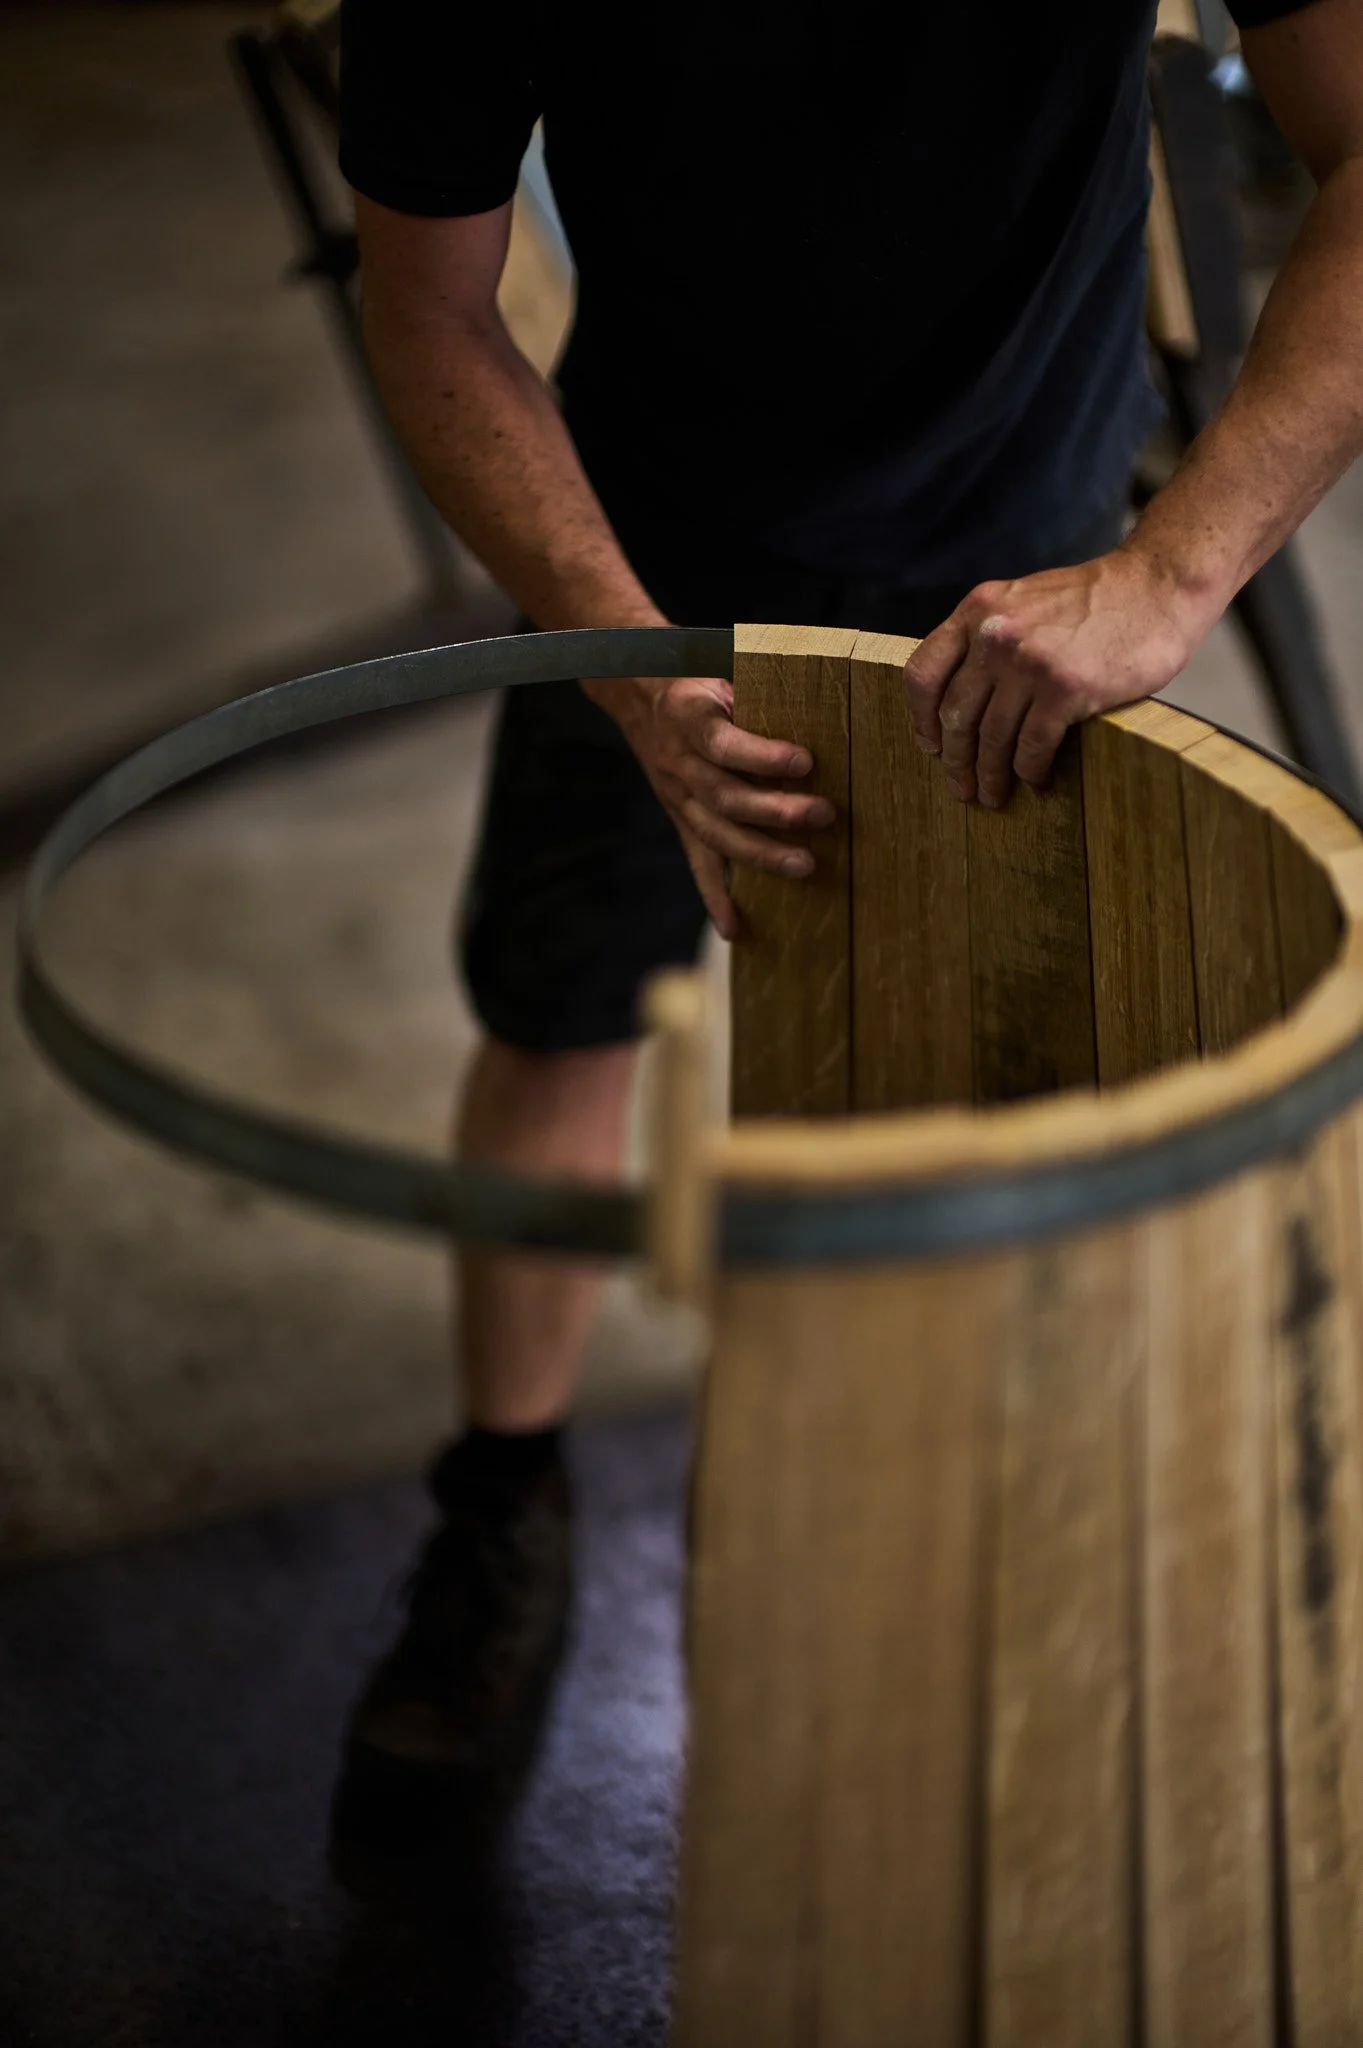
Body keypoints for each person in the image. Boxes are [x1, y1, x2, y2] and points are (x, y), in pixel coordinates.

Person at [331, 0, 1363, 1847]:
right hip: (643, 547)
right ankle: (500, 1514)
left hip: (1023, 556)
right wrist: (625, 663)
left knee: (980, 1086)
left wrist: (1166, 569)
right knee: (564, 1012)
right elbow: (424, 302)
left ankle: (917, 1555)